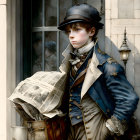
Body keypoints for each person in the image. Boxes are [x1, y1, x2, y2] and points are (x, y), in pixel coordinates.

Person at [58, 3, 139, 140]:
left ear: (92, 31)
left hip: (95, 133)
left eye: (77, 30)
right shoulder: (69, 63)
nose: (71, 35)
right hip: (71, 133)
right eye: (69, 31)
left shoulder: (107, 66)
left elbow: (129, 99)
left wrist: (109, 128)